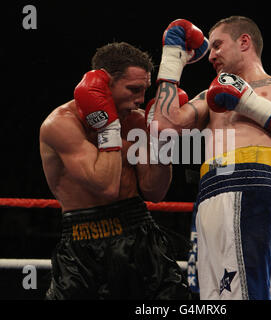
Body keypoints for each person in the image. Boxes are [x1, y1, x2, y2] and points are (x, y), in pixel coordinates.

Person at [149, 16, 271, 300]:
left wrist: (249, 102)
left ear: (244, 41)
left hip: (255, 188)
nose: (212, 55)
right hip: (209, 196)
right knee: (211, 299)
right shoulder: (210, 96)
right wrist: (173, 58)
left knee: (246, 294)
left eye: (218, 45)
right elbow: (163, 128)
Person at [39, 42, 192, 299]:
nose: (141, 100)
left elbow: (155, 192)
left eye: (144, 90)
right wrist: (108, 126)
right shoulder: (62, 124)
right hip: (83, 238)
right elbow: (106, 186)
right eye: (133, 90)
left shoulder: (137, 121)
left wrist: (162, 142)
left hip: (139, 232)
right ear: (103, 84)